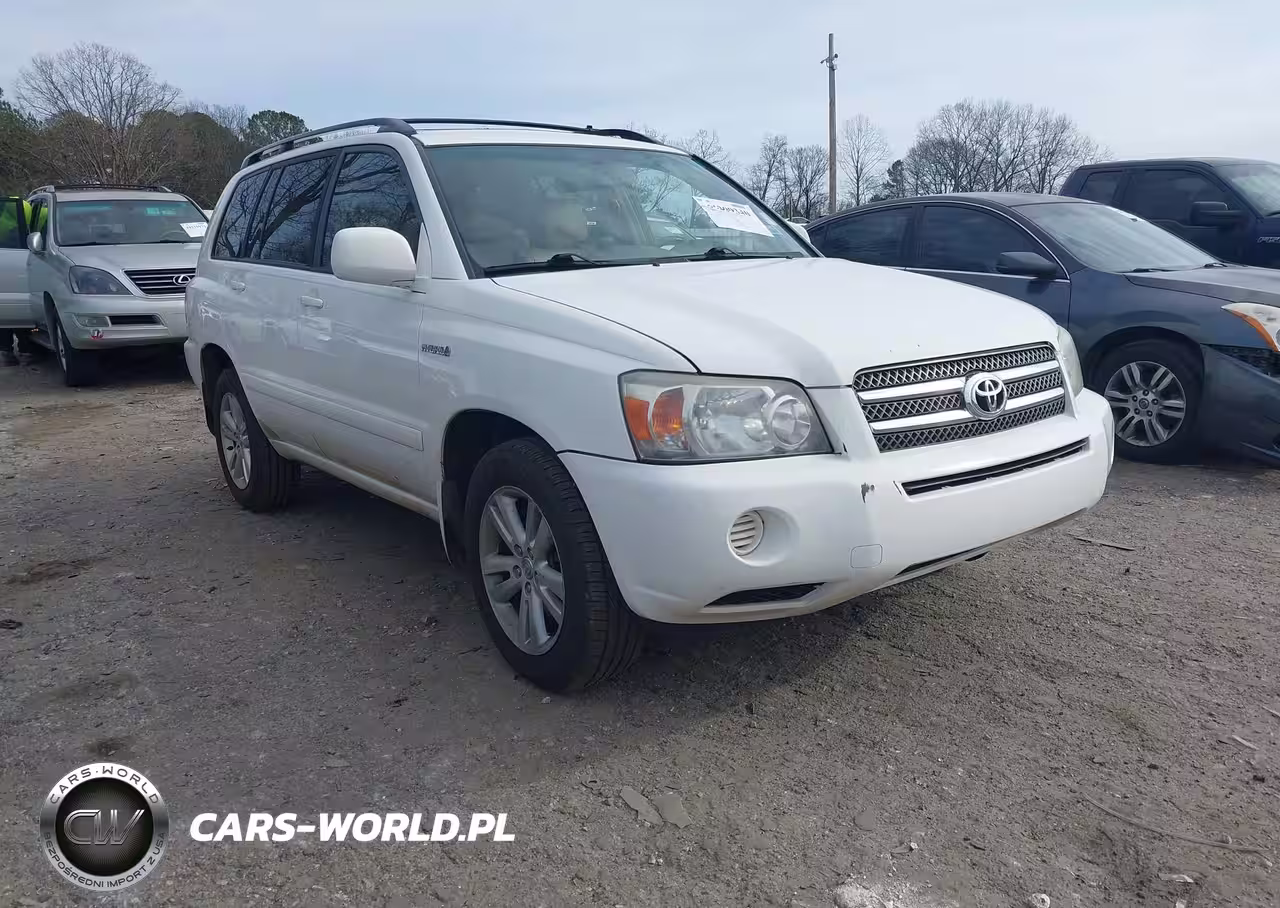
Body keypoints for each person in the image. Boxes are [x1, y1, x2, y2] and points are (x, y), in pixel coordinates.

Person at [0, 199, 33, 366]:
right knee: (21, 313)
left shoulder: (6, 219)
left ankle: (6, 351)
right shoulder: (22, 208)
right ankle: (26, 350)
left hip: (7, 269)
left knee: (7, 314)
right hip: (20, 267)